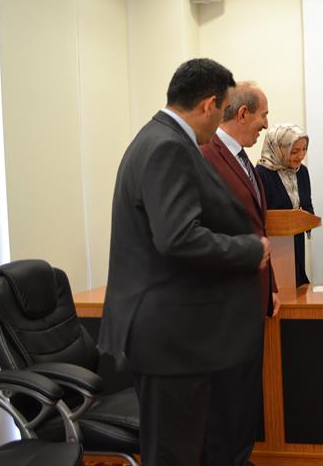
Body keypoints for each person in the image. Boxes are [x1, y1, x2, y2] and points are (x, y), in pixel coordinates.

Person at [98, 59, 269, 466]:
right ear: (209, 104)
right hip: (168, 338)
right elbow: (178, 237)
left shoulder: (157, 137)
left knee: (186, 448)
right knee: (173, 454)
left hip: (175, 336)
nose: (222, 120)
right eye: (223, 109)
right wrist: (250, 249)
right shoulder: (168, 146)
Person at [200, 81, 278, 466]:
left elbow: (257, 230)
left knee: (246, 393)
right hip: (224, 304)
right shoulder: (204, 156)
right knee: (225, 397)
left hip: (252, 298)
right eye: (263, 115)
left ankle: (240, 458)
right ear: (243, 113)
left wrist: (271, 287)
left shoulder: (248, 163)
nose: (266, 125)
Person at [256, 123, 314, 286]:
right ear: (278, 148)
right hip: (275, 252)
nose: (301, 156)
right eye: (294, 151)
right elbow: (260, 217)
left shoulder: (302, 172)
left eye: (304, 149)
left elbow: (308, 206)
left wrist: (307, 217)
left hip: (297, 246)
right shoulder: (261, 173)